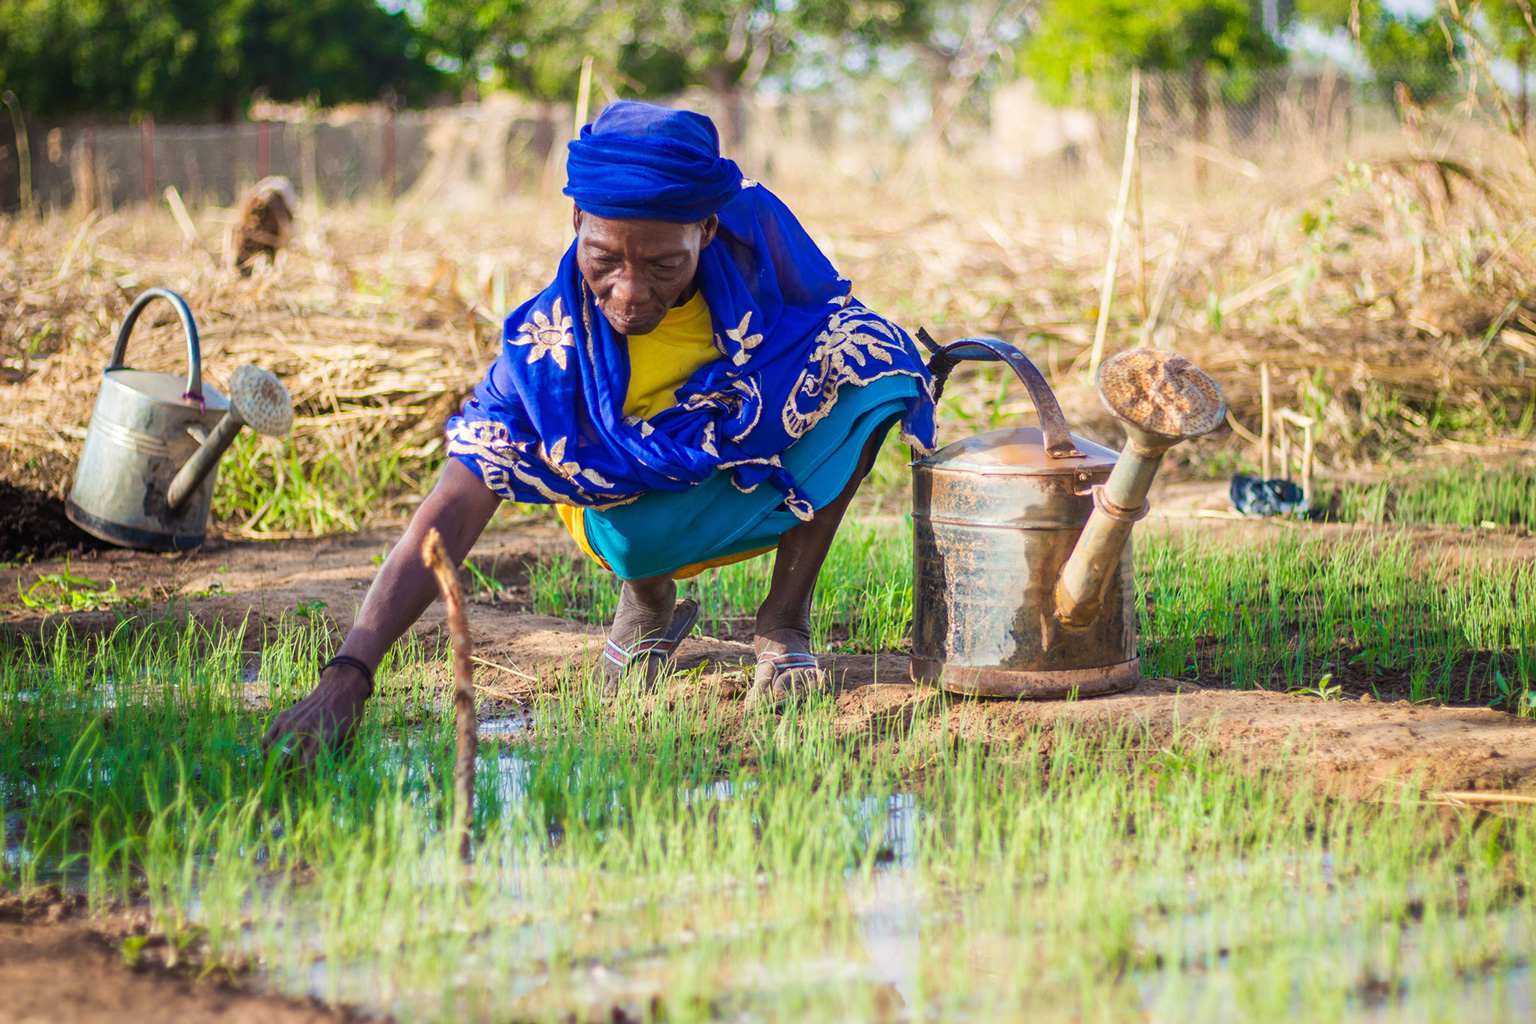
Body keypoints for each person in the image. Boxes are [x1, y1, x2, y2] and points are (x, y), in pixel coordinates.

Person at [264, 102, 935, 760]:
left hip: (733, 440)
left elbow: (825, 315)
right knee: (640, 542)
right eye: (605, 258)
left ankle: (783, 621)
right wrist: (348, 674)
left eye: (663, 265)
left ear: (706, 229)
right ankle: (645, 598)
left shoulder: (755, 255)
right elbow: (449, 508)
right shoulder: (548, 354)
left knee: (876, 359)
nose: (630, 290)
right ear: (576, 220)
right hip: (627, 510)